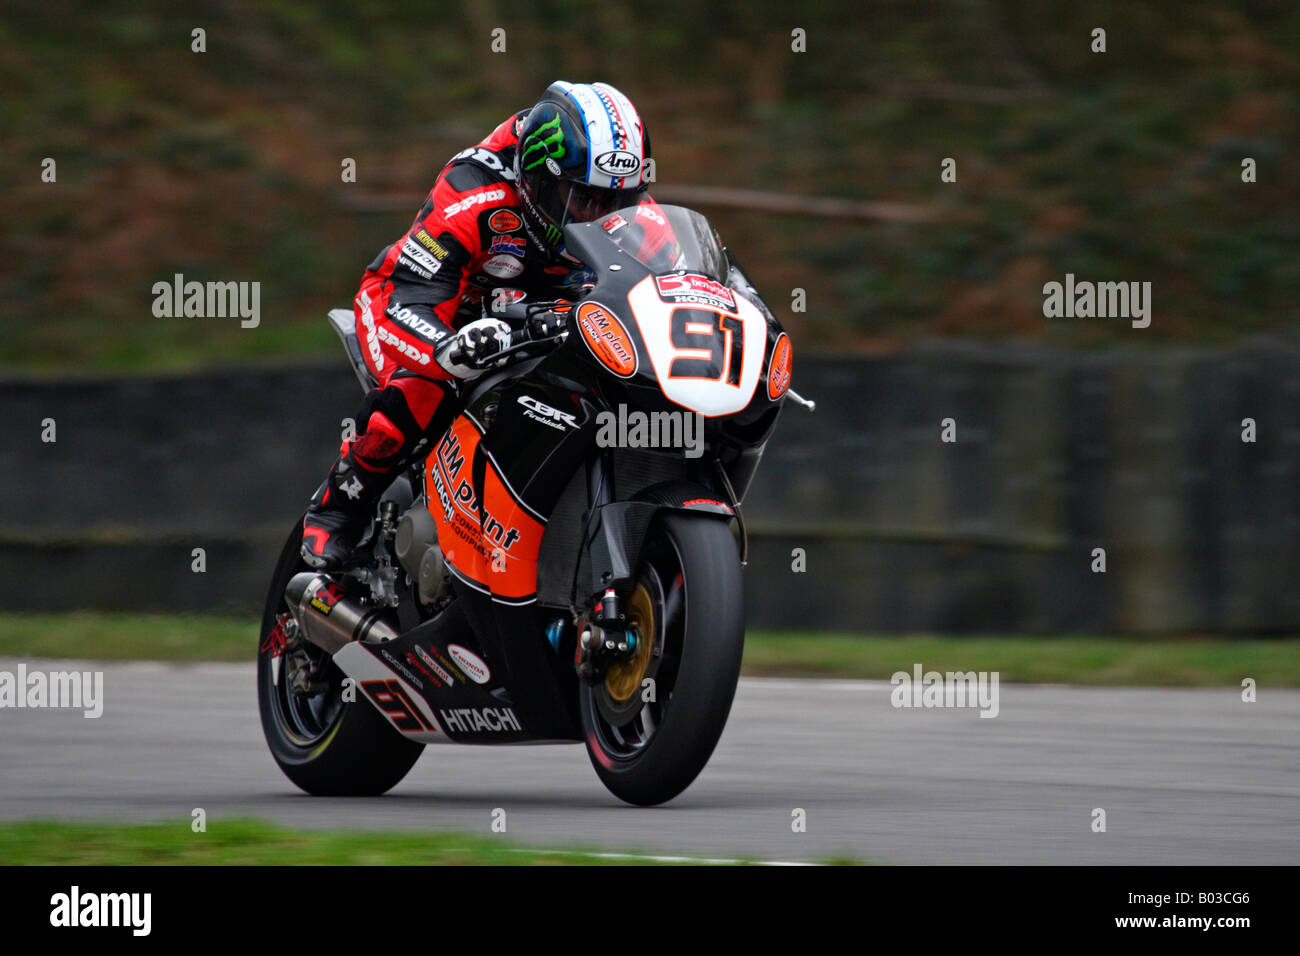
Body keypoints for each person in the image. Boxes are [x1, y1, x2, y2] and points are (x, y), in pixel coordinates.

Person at [301, 81, 653, 569]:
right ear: (539, 180)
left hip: (535, 317)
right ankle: (336, 509)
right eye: (581, 199)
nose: (598, 215)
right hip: (419, 305)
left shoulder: (632, 213)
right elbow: (411, 296)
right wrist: (451, 347)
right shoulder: (474, 192)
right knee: (430, 382)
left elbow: (674, 278)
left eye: (612, 201)